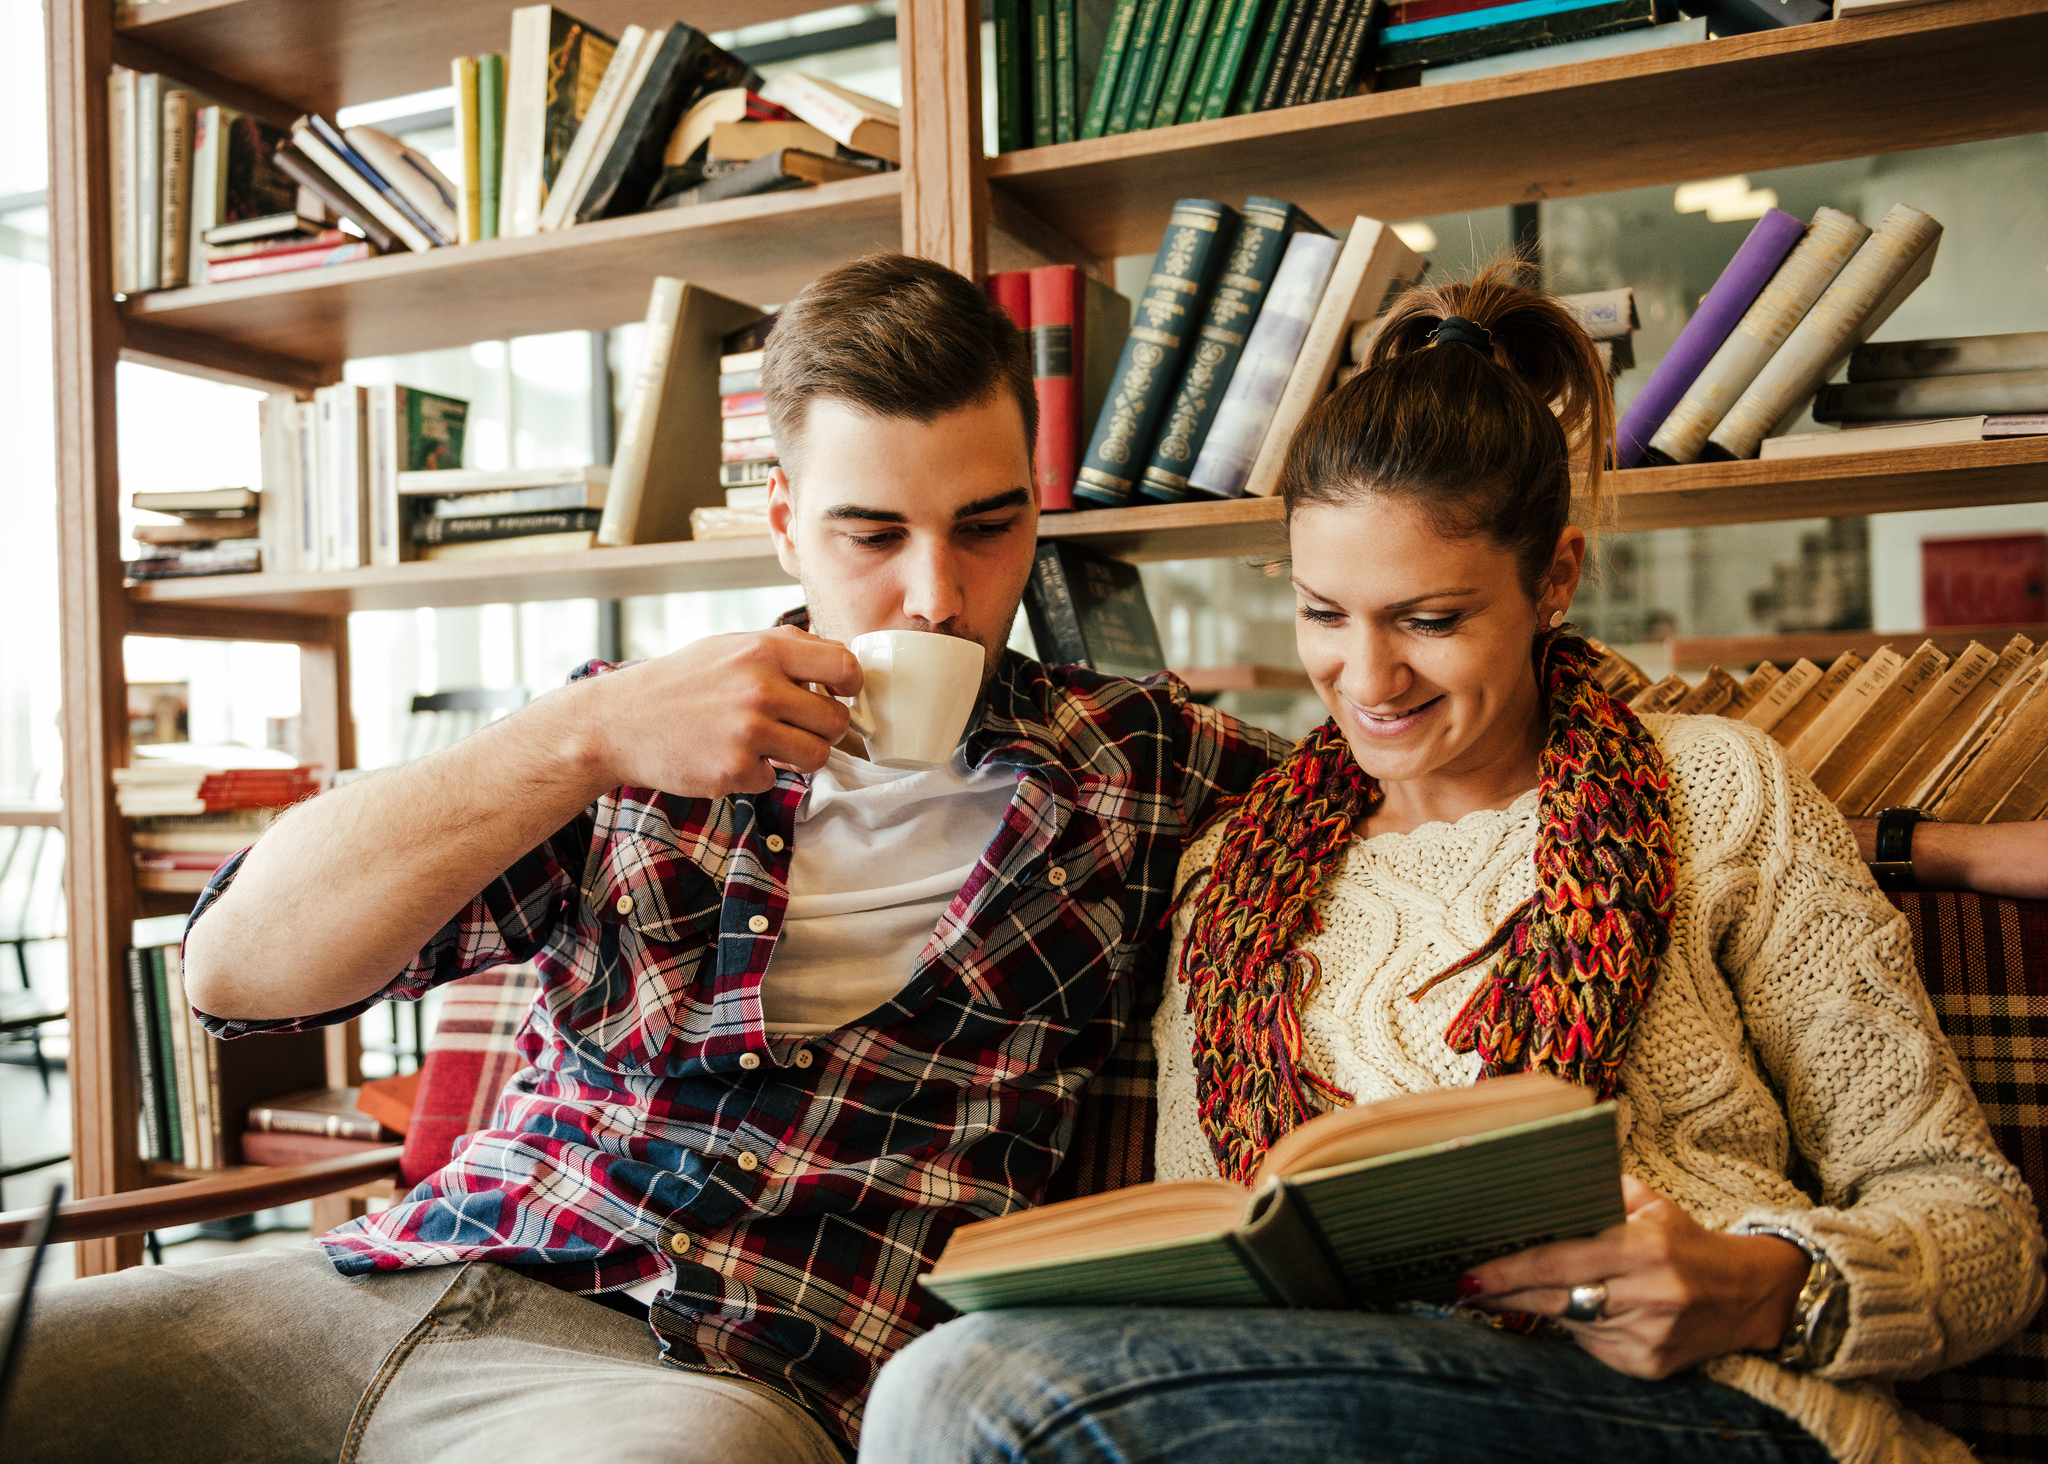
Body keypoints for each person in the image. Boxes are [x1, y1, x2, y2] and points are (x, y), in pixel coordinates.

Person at [5, 256, 1288, 1464]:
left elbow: (1441, 783)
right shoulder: (626, 729)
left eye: (986, 527)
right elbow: (232, 972)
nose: (935, 597)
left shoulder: (1138, 766)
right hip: (410, 1269)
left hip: (714, 1381)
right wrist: (580, 736)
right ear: (783, 523)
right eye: (871, 534)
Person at [859, 269, 2047, 1464]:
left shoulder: (1717, 793)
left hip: (1709, 1408)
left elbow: (1975, 1221)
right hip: (1343, 1413)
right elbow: (1210, 1272)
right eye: (1324, 614)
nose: (1367, 681)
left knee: (963, 1395)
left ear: (1554, 581)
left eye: (1427, 620)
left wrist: (1757, 1284)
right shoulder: (1227, 873)